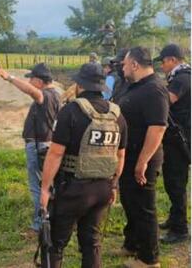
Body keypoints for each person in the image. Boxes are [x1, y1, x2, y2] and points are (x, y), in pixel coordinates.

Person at [38, 62, 127, 268]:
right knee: (92, 243)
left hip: (73, 189)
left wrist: (44, 188)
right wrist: (113, 185)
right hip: (103, 189)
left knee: (55, 244)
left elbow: (56, 153)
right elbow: (120, 155)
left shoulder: (70, 111)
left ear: (79, 84)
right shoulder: (117, 115)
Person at [116, 46, 169, 268]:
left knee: (144, 207)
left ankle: (149, 259)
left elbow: (157, 128)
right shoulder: (134, 86)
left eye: (125, 63)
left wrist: (142, 162)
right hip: (129, 156)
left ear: (135, 64)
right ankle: (133, 244)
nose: (122, 66)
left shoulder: (154, 90)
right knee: (130, 202)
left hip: (143, 159)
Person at [0, 63, 62, 232]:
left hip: (39, 145)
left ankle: (40, 225)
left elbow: (33, 92)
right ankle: (49, 220)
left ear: (39, 81)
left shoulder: (45, 95)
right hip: (46, 144)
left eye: (31, 79)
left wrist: (8, 77)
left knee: (38, 186)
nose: (30, 82)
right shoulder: (56, 94)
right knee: (47, 185)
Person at [155, 44, 190, 244]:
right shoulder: (179, 77)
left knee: (176, 183)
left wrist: (153, 90)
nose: (161, 65)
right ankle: (175, 217)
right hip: (176, 138)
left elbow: (167, 100)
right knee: (172, 182)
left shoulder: (183, 78)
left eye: (163, 60)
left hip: (179, 140)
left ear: (173, 60)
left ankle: (180, 229)